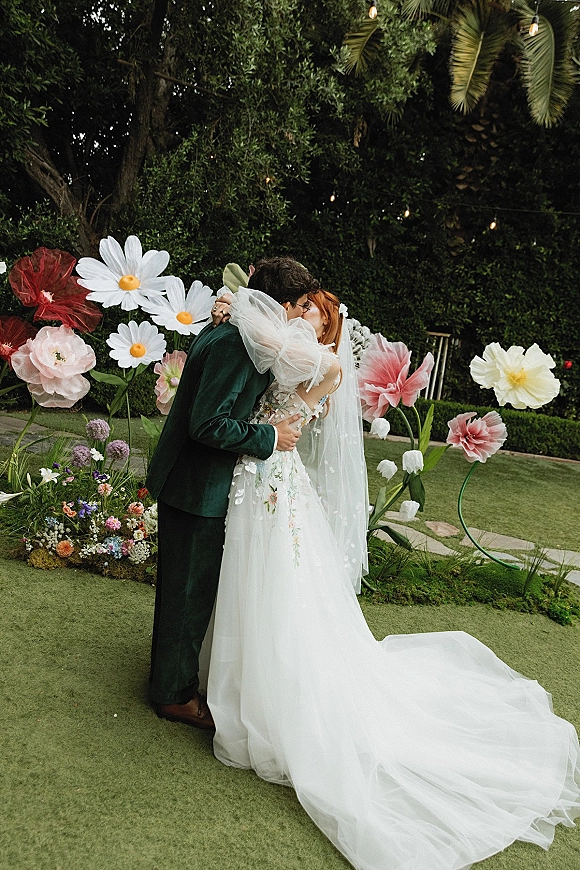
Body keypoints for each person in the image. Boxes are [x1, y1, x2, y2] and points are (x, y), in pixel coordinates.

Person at [206, 287, 580, 870]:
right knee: (249, 578)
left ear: (330, 331)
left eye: (317, 313)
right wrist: (234, 312)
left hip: (273, 475)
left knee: (276, 582)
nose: (303, 315)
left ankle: (271, 694)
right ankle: (229, 677)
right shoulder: (281, 347)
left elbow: (287, 389)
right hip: (251, 472)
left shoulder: (323, 365)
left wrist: (261, 325)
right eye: (300, 304)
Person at [146, 256, 320, 729]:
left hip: (196, 481)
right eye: (302, 305)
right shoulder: (237, 345)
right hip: (194, 485)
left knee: (188, 590)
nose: (304, 314)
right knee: (187, 592)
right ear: (282, 303)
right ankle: (175, 696)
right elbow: (207, 423)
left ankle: (171, 681)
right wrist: (270, 438)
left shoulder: (242, 330)